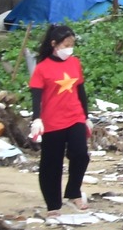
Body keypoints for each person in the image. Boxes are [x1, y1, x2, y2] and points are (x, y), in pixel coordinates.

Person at [29, 24, 91, 216]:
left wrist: (86, 116)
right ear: (54, 44)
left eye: (72, 44)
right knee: (51, 163)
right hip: (52, 121)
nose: (69, 48)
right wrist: (36, 119)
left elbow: (81, 91)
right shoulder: (42, 68)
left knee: (80, 154)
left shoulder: (74, 63)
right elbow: (36, 96)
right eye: (66, 44)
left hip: (75, 116)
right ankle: (53, 205)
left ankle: (73, 192)